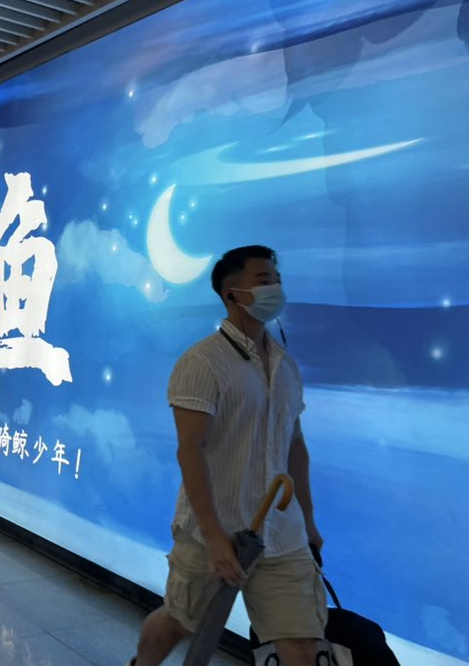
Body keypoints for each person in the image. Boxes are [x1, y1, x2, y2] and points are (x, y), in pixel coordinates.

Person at [128, 246, 325, 666]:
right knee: (180, 622)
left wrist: (307, 520)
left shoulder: (285, 365)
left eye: (276, 278)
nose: (275, 288)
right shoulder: (203, 362)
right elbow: (190, 450)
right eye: (263, 280)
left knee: (301, 645)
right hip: (210, 533)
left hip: (281, 533)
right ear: (231, 293)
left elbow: (295, 446)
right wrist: (216, 536)